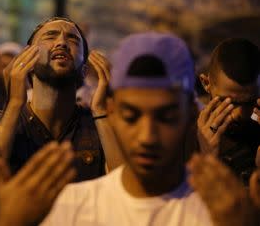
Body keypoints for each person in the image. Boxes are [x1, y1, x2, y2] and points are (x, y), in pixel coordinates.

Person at [42, 32, 212, 225]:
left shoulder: (219, 211)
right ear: (111, 111)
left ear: (191, 113)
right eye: (131, 118)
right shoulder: (73, 207)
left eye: (166, 118)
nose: (147, 137)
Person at [0, 17, 111, 181]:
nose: (62, 42)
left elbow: (124, 190)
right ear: (27, 60)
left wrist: (102, 112)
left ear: (84, 70)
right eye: (51, 36)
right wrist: (15, 104)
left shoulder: (98, 125)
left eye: (73, 39)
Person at [197, 38, 260, 184]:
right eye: (229, 103)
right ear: (206, 83)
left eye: (250, 102)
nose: (241, 114)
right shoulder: (182, 136)